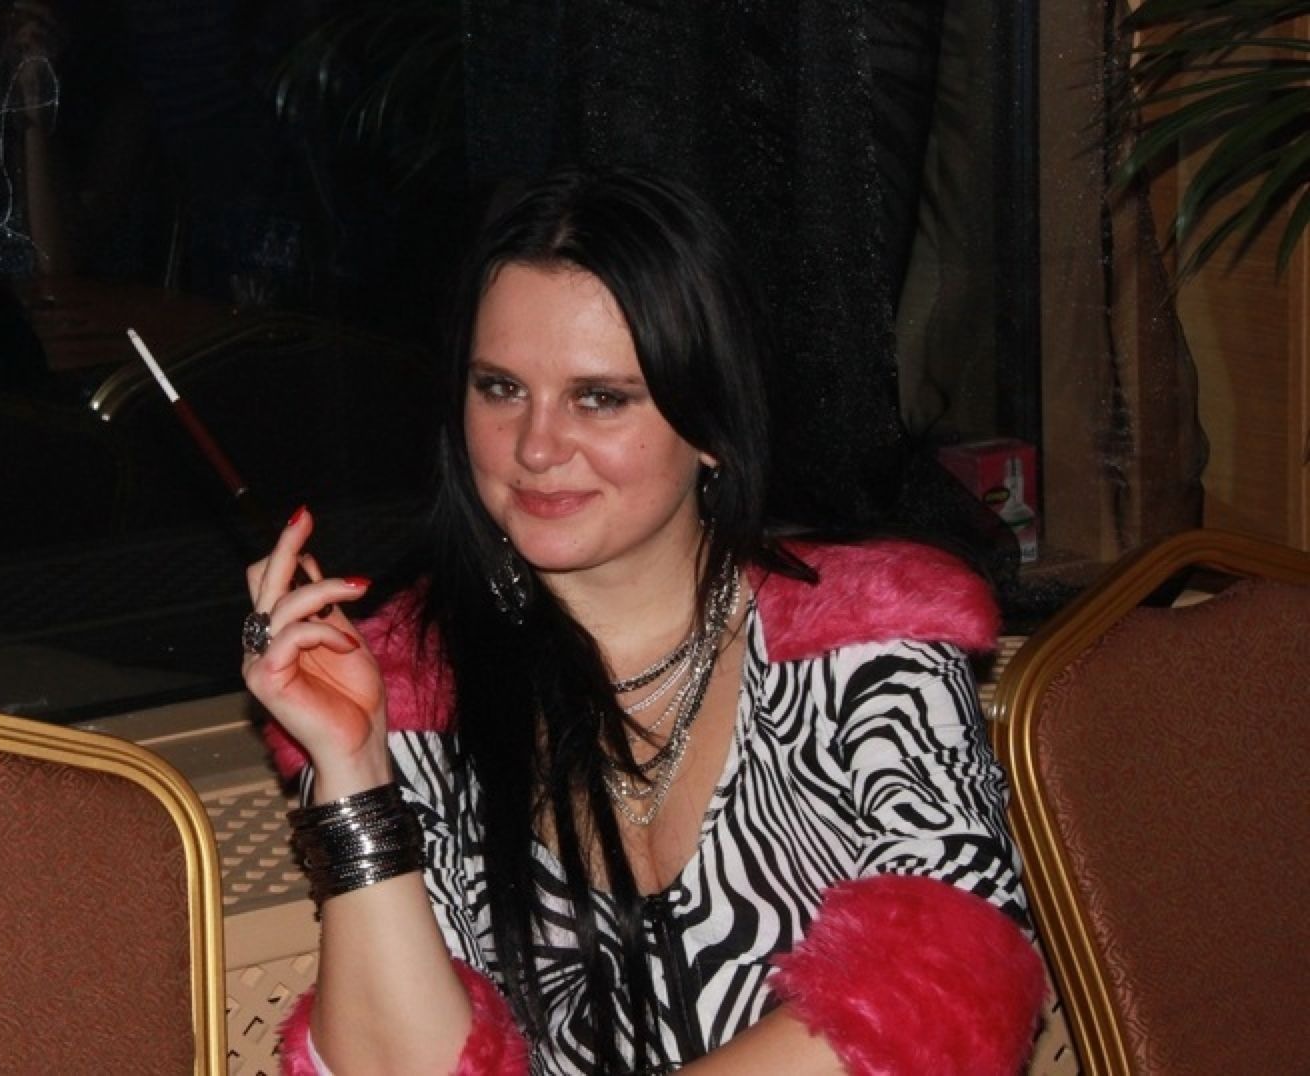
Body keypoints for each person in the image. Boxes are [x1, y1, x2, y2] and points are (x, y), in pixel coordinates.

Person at [241, 168, 1045, 1075]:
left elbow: (948, 987)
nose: (536, 446)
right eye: (501, 389)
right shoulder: (414, 689)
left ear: (710, 424)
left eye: (599, 397)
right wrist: (353, 770)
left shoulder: (866, 645)